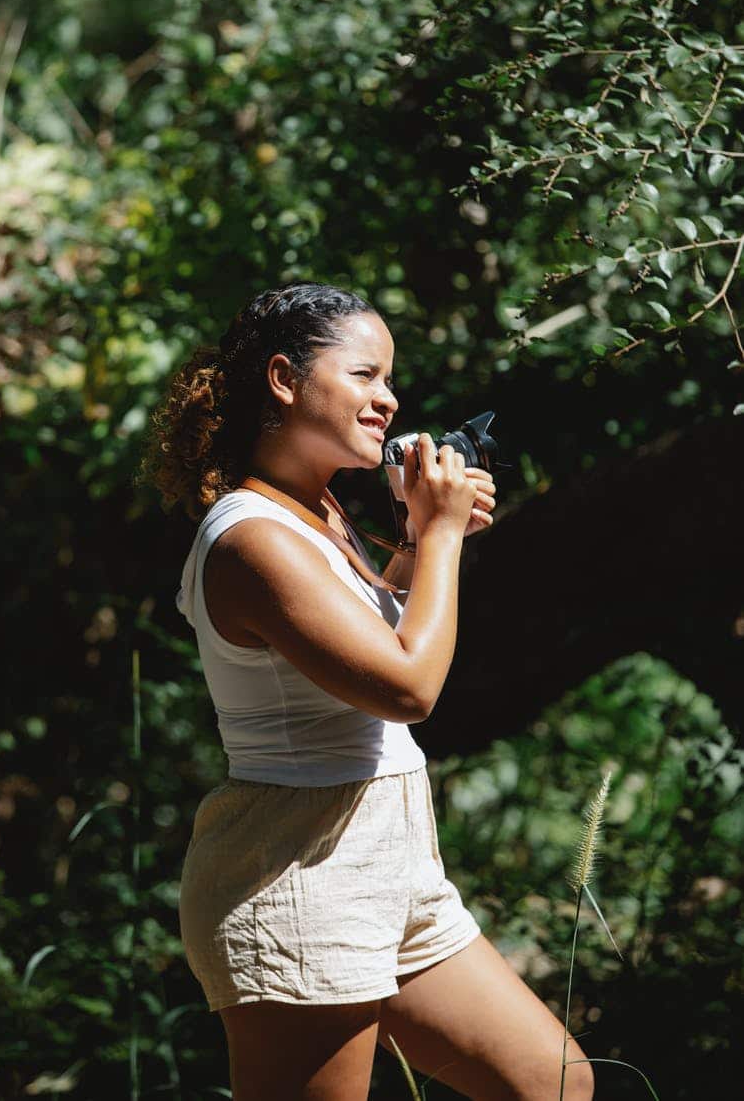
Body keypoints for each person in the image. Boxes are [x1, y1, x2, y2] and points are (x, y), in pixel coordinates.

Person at [142, 283, 594, 1101]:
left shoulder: (316, 513)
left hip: (392, 864)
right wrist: (446, 536)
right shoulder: (249, 540)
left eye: (390, 380)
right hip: (296, 872)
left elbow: (365, 648)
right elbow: (407, 688)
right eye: (365, 375)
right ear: (284, 379)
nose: (388, 398)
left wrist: (419, 537)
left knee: (552, 1083)